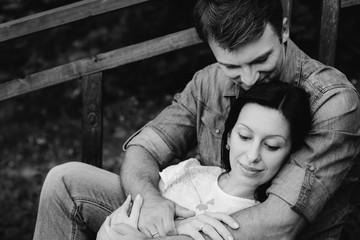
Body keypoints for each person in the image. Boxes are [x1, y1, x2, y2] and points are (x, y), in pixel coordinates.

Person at [33, 0, 360, 239]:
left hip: (248, 234)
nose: (247, 79)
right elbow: (143, 150)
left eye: (261, 59)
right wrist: (151, 201)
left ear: (284, 30)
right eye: (231, 66)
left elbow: (279, 224)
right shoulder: (209, 82)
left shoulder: (333, 102)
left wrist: (174, 234)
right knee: (66, 181)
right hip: (191, 211)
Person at [97, 81, 312, 240]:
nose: (253, 155)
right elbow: (114, 226)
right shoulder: (190, 172)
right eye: (245, 137)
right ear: (228, 138)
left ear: (289, 153)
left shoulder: (256, 222)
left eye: (272, 146)